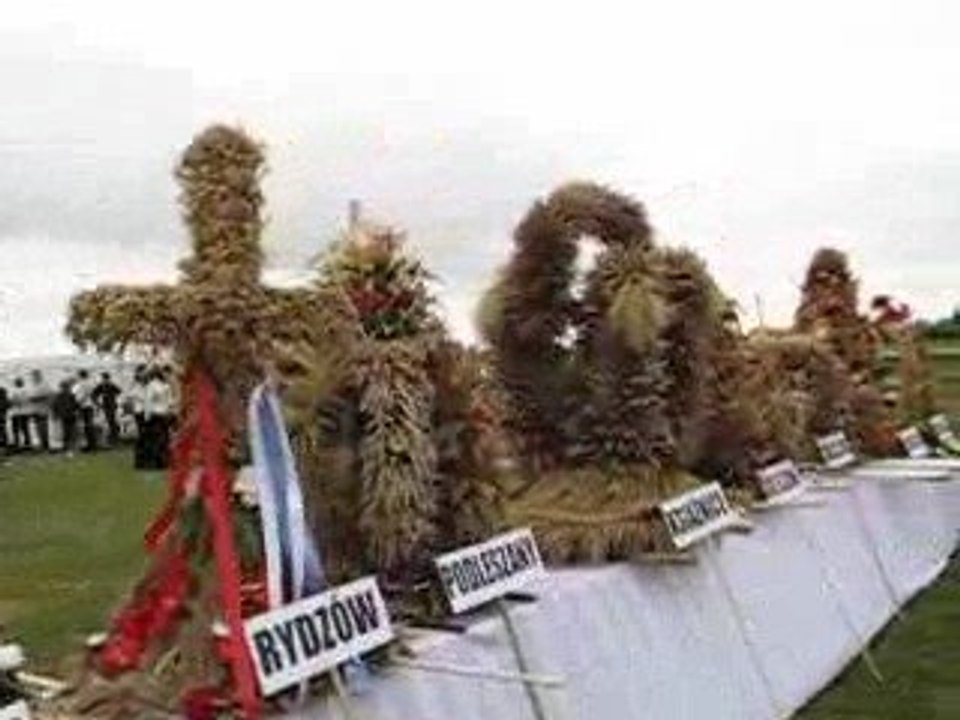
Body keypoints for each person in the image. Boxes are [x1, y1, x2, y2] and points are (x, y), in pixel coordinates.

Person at [143, 367, 175, 469]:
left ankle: (159, 462)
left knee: (156, 439)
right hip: (165, 414)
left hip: (155, 415)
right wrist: (170, 411)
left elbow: (148, 402)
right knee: (165, 438)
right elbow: (170, 402)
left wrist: (146, 416)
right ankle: (167, 460)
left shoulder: (151, 386)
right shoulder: (166, 385)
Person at [92, 372, 122, 446]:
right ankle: (114, 438)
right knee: (110, 421)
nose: (103, 380)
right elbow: (94, 394)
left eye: (104, 378)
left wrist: (111, 395)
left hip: (111, 405)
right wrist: (98, 403)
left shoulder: (109, 385)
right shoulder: (102, 386)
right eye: (104, 379)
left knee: (112, 421)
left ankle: (114, 438)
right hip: (107, 405)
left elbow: (119, 391)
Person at [27, 370, 53, 452]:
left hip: (42, 409)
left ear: (39, 375)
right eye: (33, 375)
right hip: (35, 409)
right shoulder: (33, 384)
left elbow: (49, 395)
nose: (33, 377)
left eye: (35, 375)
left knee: (43, 427)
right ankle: (42, 443)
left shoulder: (45, 384)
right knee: (38, 427)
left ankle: (45, 444)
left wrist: (35, 399)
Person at [51, 380, 80, 455]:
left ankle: (67, 447)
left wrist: (55, 414)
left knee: (67, 432)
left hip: (65, 416)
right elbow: (76, 405)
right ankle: (70, 447)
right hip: (69, 415)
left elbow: (54, 406)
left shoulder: (59, 396)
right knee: (70, 432)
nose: (66, 388)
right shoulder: (70, 395)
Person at [128, 366, 149, 469]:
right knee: (142, 435)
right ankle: (140, 460)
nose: (145, 376)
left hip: (144, 412)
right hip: (140, 412)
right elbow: (131, 396)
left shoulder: (145, 386)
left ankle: (145, 459)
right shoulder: (136, 386)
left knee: (145, 435)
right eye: (143, 374)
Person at [73, 369, 98, 452]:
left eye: (77, 375)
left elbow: (81, 396)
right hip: (89, 406)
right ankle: (92, 444)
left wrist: (77, 404)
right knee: (89, 425)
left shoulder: (81, 384)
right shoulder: (90, 383)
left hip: (84, 406)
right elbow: (92, 394)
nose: (76, 376)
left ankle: (89, 445)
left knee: (86, 426)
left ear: (80, 375)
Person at [8, 378, 32, 452]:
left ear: (16, 383)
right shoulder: (27, 391)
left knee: (16, 430)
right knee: (25, 429)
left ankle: (17, 444)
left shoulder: (15, 391)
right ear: (22, 383)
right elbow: (29, 401)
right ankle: (28, 444)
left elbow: (12, 401)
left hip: (17, 413)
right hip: (26, 412)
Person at [0, 387, 9, 453]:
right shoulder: (5, 400)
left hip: (2, 416)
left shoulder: (3, 401)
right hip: (3, 416)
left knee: (2, 430)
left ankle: (3, 445)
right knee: (3, 430)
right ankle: (4, 445)